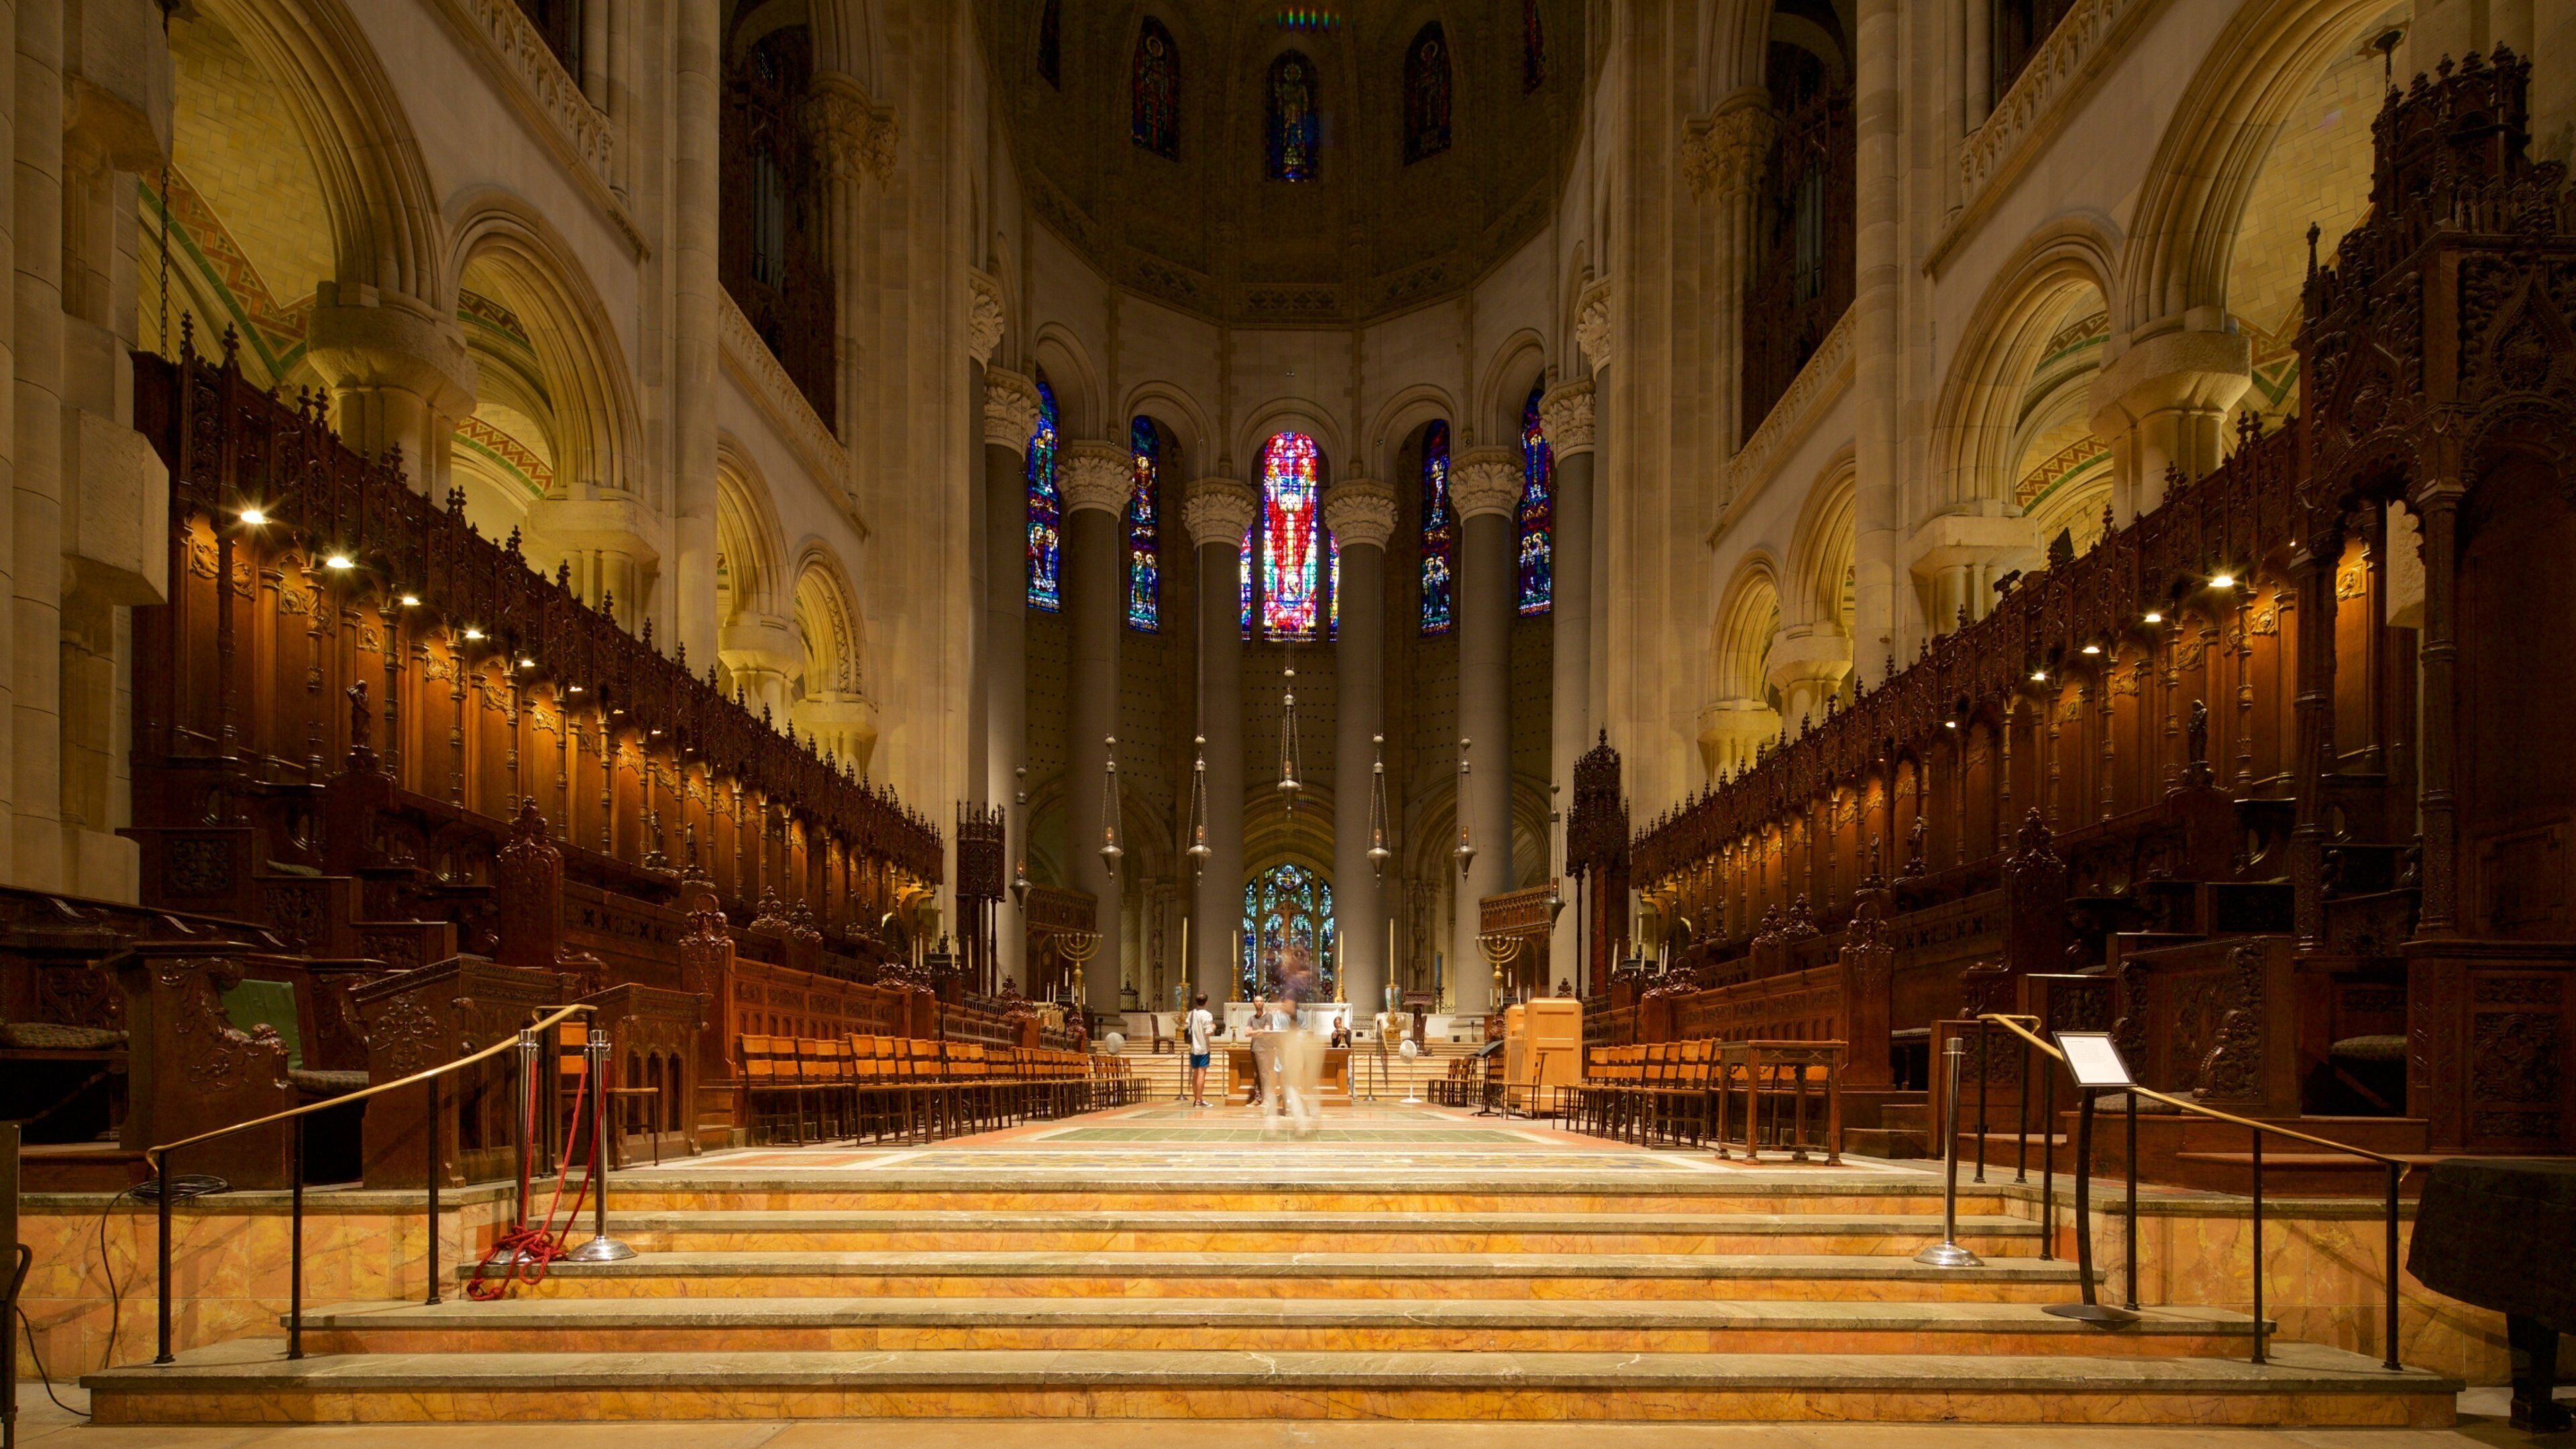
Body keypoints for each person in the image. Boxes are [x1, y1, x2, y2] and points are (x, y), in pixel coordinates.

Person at [1275, 948, 1324, 1134]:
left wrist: (1277, 1006)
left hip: (1296, 1037)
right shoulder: (1313, 980)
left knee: (1290, 1083)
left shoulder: (1292, 982)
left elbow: (1289, 1007)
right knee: (1311, 1083)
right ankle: (1317, 1117)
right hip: (1312, 1037)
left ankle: (1301, 1123)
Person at [1183, 994, 1215, 1108]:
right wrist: (1214, 1027)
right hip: (1203, 1048)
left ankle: (1196, 1099)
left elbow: (1187, 1028)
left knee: (1195, 1074)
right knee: (1201, 1074)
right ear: (1207, 1002)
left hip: (1193, 1048)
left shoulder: (1191, 1014)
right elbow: (1208, 1032)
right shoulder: (1207, 1015)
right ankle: (1198, 1101)